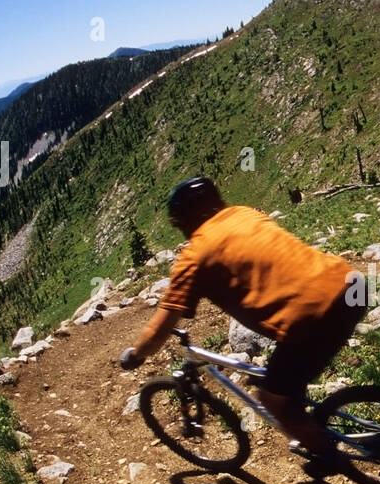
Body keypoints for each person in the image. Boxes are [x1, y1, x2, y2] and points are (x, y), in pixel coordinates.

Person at [119, 176, 365, 459]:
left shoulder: (194, 256)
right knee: (289, 379)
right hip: (349, 284)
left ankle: (330, 459)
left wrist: (136, 355)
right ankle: (310, 422)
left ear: (184, 221)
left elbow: (157, 331)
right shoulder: (246, 213)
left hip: (312, 317)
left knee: (273, 400)